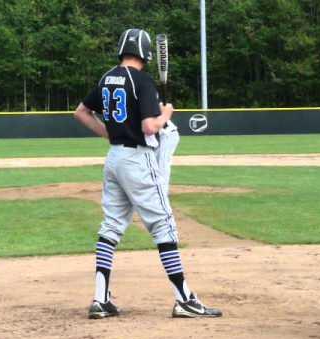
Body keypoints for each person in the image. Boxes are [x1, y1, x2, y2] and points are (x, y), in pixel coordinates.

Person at [74, 28, 222, 319]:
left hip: (115, 157)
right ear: (146, 53)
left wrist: (108, 133)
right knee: (164, 224)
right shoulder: (142, 80)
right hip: (137, 161)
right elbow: (149, 127)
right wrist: (166, 114)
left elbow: (80, 112)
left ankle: (100, 298)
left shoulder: (107, 77)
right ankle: (184, 299)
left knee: (111, 226)